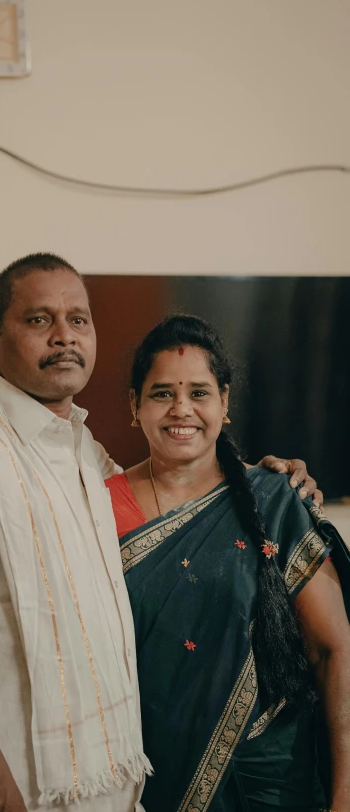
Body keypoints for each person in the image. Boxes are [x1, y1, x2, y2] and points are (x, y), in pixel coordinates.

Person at [0, 255, 323, 812]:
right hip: (16, 788)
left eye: (79, 319)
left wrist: (274, 480)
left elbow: (177, 501)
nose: (64, 337)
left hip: (110, 787)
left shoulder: (84, 455)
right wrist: (3, 802)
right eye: (38, 320)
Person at [105, 313, 350, 812]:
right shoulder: (94, 506)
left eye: (199, 392)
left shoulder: (275, 502)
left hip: (267, 782)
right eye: (161, 394)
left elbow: (334, 652)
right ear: (134, 405)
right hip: (143, 777)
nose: (181, 409)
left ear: (225, 402)